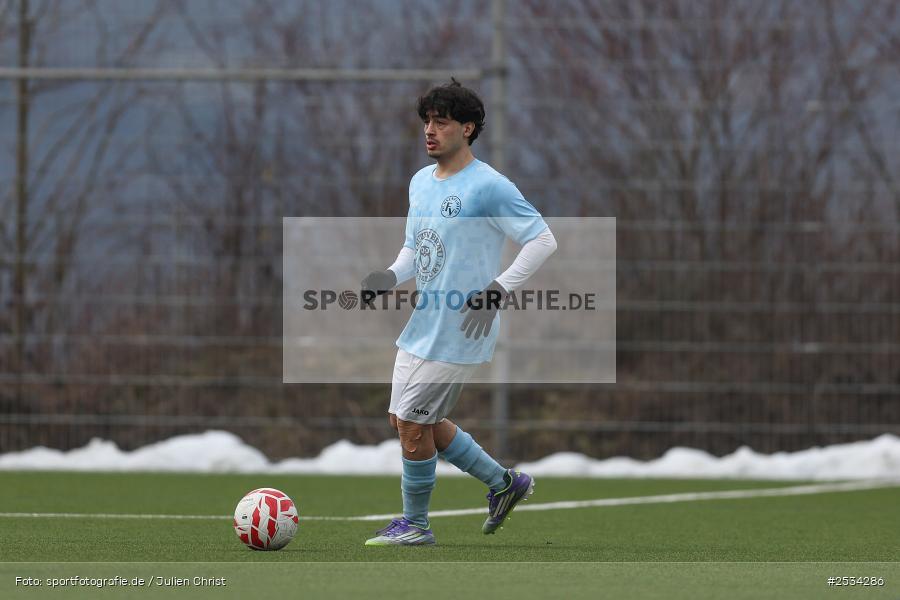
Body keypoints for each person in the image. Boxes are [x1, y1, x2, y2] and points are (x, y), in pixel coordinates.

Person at [361, 79, 557, 546]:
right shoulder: (420, 182)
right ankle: (504, 483)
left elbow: (542, 239)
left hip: (463, 325)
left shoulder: (489, 186)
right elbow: (416, 249)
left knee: (413, 423)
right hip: (423, 323)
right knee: (408, 422)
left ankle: (416, 526)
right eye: (427, 121)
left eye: (442, 122)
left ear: (467, 128)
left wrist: (498, 289)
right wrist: (390, 275)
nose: (430, 130)